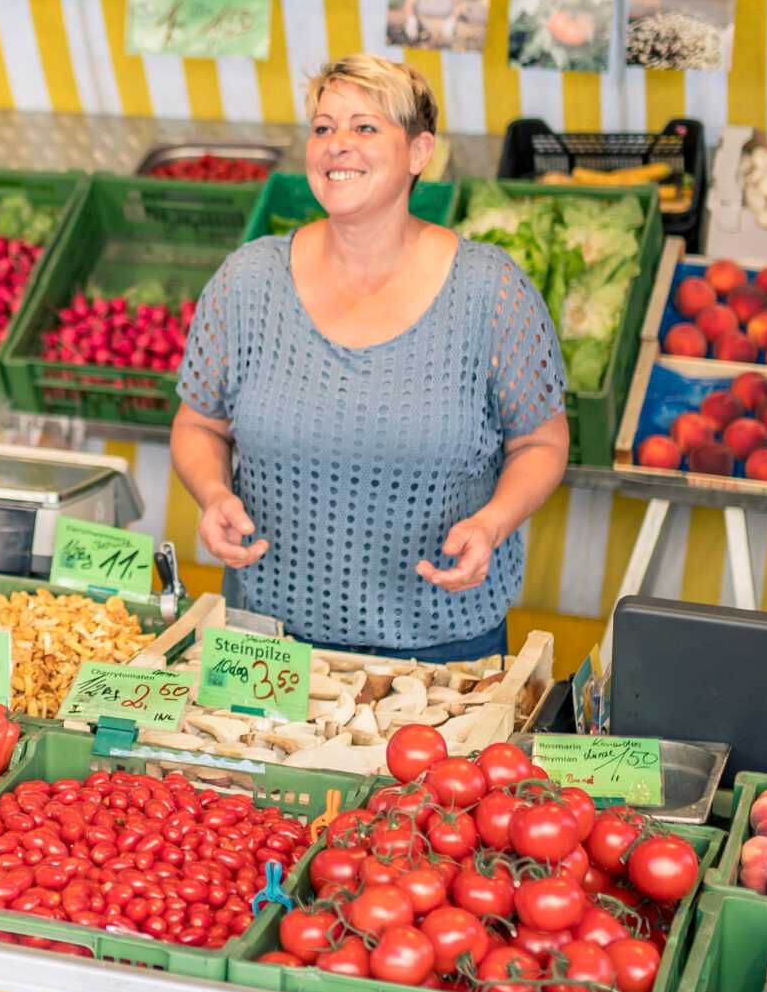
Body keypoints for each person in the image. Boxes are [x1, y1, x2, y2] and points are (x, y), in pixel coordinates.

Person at [172, 53, 569, 664]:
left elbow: (540, 443)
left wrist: (492, 523)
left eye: (365, 127)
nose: (337, 146)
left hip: (441, 644)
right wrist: (213, 494)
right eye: (324, 128)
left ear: (417, 152)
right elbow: (199, 423)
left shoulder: (490, 290)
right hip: (265, 646)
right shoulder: (249, 281)